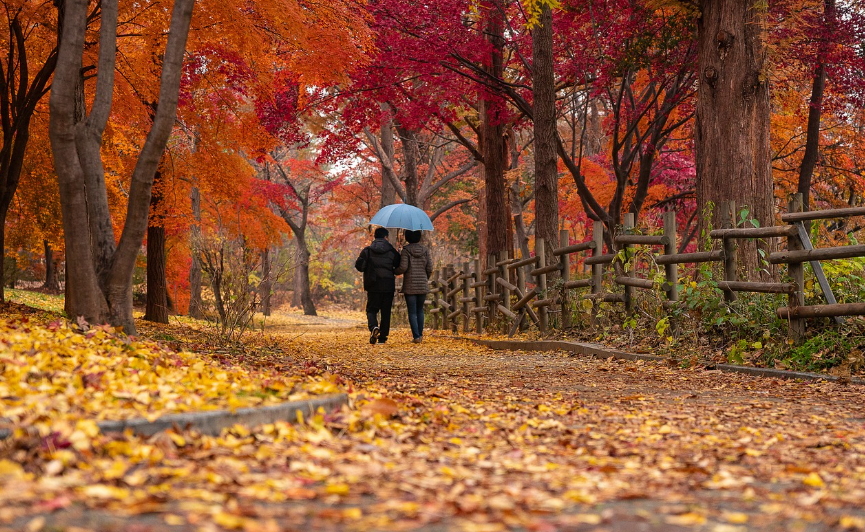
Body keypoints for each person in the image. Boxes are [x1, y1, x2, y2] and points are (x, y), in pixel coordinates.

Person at [355, 227, 401, 344]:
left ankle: (373, 327)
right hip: (388, 285)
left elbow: (359, 266)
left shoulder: (367, 251)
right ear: (386, 237)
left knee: (371, 310)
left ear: (375, 237)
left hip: (373, 284)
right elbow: (398, 265)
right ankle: (382, 337)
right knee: (386, 312)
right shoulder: (392, 251)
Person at [395, 230, 433, 343]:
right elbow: (430, 268)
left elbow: (403, 268)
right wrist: (425, 278)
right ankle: (420, 335)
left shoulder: (406, 250)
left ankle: (416, 336)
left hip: (410, 286)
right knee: (420, 310)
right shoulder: (425, 250)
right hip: (422, 285)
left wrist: (394, 270)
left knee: (412, 311)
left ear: (407, 237)